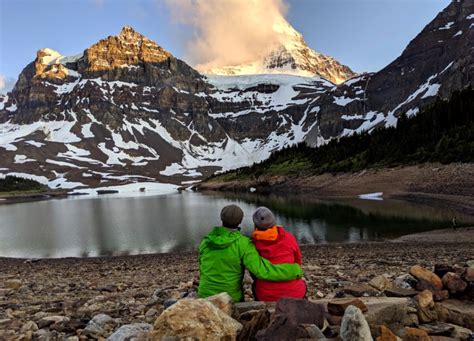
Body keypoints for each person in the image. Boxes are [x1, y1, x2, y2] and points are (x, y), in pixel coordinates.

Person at [198, 204, 304, 302]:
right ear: (240, 221)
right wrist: (294, 270)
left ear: (221, 218)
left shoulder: (205, 241)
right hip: (230, 297)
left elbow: (202, 267)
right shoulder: (244, 243)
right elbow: (260, 270)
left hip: (203, 295)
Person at [251, 206, 307, 301]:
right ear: (274, 222)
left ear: (255, 225)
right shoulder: (289, 237)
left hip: (266, 295)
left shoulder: (253, 243)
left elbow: (253, 271)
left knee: (255, 285)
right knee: (302, 286)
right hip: (295, 293)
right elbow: (298, 261)